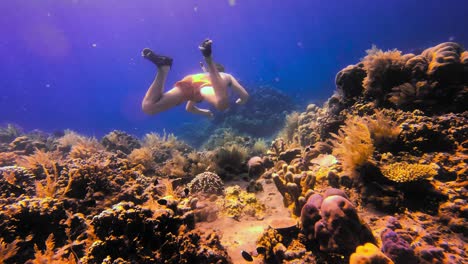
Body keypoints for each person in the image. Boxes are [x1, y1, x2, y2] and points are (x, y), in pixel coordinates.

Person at [141, 39, 249, 118]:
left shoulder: (197, 89)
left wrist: (205, 112)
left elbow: (189, 108)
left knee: (148, 107)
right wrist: (242, 100)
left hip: (190, 81)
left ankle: (164, 68)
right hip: (203, 85)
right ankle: (208, 58)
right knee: (222, 104)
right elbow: (244, 95)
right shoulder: (226, 76)